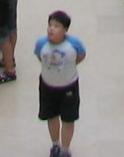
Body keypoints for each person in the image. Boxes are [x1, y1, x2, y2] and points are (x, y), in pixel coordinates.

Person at [34, 11, 87, 156]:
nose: (51, 29)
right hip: (47, 87)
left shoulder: (73, 44)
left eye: (56, 26)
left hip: (69, 87)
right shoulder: (41, 43)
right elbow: (40, 56)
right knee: (51, 116)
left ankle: (65, 149)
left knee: (68, 119)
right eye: (50, 25)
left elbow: (81, 55)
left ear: (65, 30)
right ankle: (55, 145)